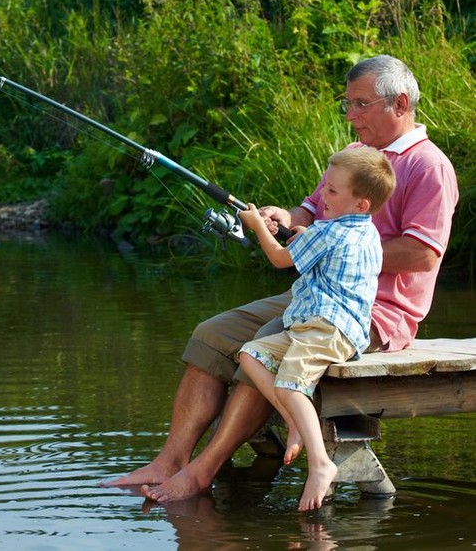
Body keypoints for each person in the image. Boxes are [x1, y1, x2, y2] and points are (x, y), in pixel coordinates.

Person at [102, 54, 459, 505]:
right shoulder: (352, 156)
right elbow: (312, 211)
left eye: (361, 104)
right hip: (311, 298)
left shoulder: (430, 167)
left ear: (400, 103)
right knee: (211, 335)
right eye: (347, 103)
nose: (350, 115)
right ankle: (170, 460)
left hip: (373, 314)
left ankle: (201, 472)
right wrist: (281, 217)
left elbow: (424, 254)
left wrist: (333, 248)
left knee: (270, 351)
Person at [236, 148, 396, 511]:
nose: (323, 195)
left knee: (289, 384)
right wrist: (305, 235)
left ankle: (321, 463)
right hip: (334, 329)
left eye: (333, 191)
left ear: (361, 203)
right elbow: (327, 251)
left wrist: (258, 225)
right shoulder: (366, 232)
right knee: (251, 354)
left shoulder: (326, 233)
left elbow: (279, 258)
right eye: (326, 187)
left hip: (325, 328)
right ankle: (296, 421)